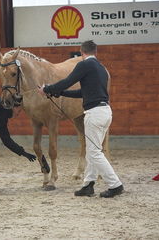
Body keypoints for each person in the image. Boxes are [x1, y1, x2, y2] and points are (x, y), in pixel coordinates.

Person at [38, 40, 123, 198]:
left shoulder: (84, 65)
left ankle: (115, 184)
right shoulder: (101, 69)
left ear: (81, 52)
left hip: (94, 114)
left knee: (95, 153)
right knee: (92, 151)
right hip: (105, 112)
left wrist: (47, 89)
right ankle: (88, 185)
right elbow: (82, 93)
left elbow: (67, 82)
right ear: (95, 52)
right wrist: (59, 93)